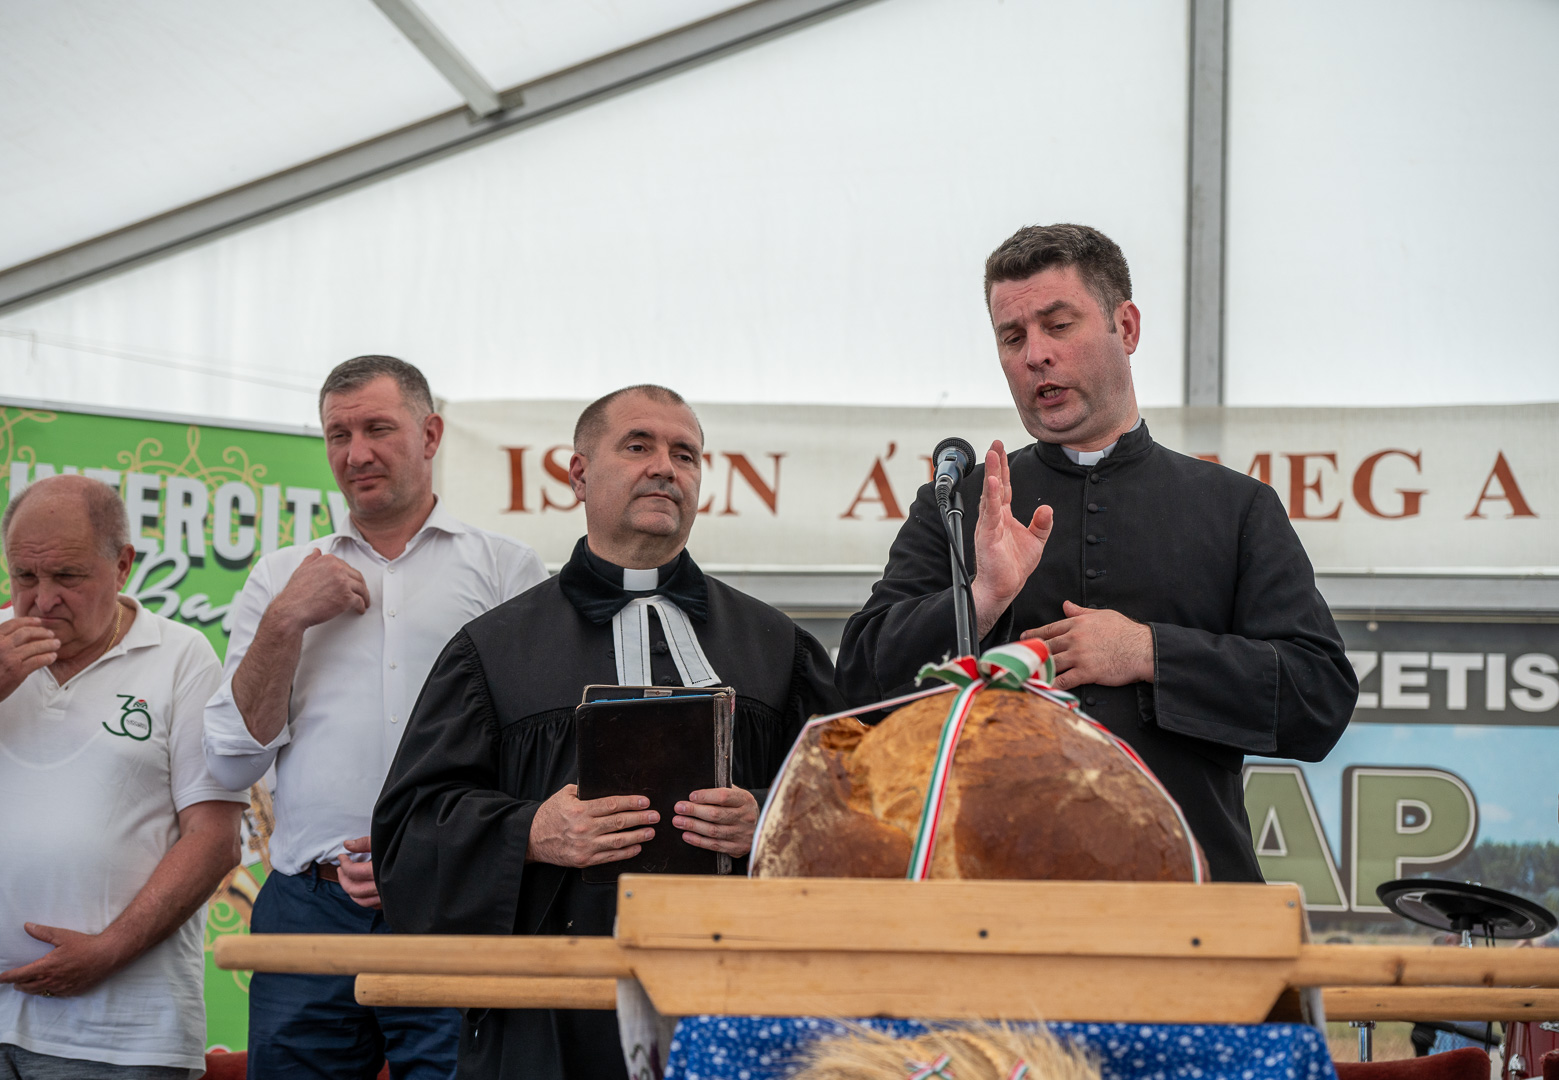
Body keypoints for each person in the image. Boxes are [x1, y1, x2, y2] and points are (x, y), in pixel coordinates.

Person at [838, 223, 1358, 883]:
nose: (1035, 355)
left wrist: (1148, 652)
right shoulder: (961, 503)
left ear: (1126, 327)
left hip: (1188, 895)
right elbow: (857, 691)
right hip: (992, 899)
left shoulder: (1235, 508)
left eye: (1059, 325)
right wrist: (981, 598)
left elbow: (1319, 699)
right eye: (1012, 337)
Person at [373, 384, 843, 1080]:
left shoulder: (777, 648)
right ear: (579, 473)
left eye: (685, 454)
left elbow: (857, 810)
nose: (664, 467)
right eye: (638, 445)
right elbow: (410, 832)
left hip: (736, 1006)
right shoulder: (491, 652)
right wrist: (532, 832)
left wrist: (770, 820)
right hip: (551, 1020)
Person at [202, 356, 547, 1080]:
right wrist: (285, 620)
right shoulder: (280, 577)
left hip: (452, 905)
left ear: (431, 435)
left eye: (378, 429)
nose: (355, 453)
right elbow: (232, 760)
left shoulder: (506, 570)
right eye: (338, 434)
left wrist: (427, 863)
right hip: (308, 903)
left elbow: (532, 759)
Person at [0, 474, 246, 1078]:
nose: (42, 599)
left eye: (67, 576)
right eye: (24, 576)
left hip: (122, 1032)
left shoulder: (181, 657)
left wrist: (108, 951)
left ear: (123, 564)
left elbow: (214, 840)